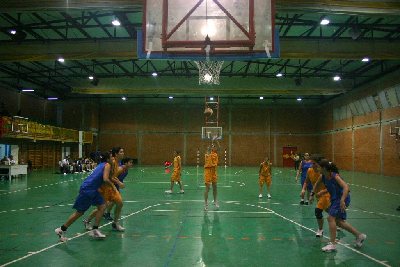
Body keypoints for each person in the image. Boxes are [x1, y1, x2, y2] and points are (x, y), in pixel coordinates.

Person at [54, 152, 114, 242]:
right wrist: (113, 185)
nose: (112, 159)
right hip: (88, 189)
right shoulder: (107, 165)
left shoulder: (101, 164)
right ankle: (61, 229)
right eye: (111, 157)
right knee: (80, 212)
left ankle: (95, 229)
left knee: (102, 206)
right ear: (108, 159)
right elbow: (105, 179)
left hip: (94, 189)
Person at [310, 159, 366, 252]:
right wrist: (312, 194)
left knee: (330, 218)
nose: (317, 168)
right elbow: (316, 185)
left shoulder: (335, 176)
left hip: (342, 199)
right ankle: (359, 236)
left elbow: (346, 187)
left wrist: (342, 200)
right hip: (335, 199)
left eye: (319, 166)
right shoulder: (323, 176)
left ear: (324, 168)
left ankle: (332, 244)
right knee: (339, 222)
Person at [101, 157, 134, 222]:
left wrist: (120, 183)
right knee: (110, 202)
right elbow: (111, 177)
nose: (131, 164)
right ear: (125, 163)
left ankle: (105, 213)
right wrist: (118, 183)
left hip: (115, 186)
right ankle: (102, 214)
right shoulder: (120, 169)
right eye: (130, 162)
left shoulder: (126, 170)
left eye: (132, 162)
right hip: (110, 186)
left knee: (113, 202)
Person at [302, 161, 330, 237]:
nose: (312, 165)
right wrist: (304, 190)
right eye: (312, 163)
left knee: (318, 211)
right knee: (328, 210)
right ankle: (338, 221)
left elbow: (331, 186)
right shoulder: (310, 170)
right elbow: (306, 181)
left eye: (314, 163)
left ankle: (320, 230)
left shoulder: (323, 173)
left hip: (326, 194)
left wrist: (322, 191)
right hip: (318, 194)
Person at [204, 142, 219, 211]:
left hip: (214, 172)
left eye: (214, 146)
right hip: (208, 172)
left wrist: (217, 142)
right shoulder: (207, 154)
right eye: (212, 146)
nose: (213, 147)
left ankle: (215, 201)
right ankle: (206, 204)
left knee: (215, 187)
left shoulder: (215, 155)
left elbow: (219, 148)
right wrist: (209, 148)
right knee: (207, 188)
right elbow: (208, 151)